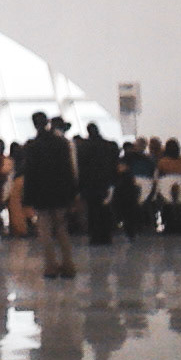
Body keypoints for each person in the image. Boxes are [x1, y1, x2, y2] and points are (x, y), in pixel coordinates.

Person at [23, 112, 77, 278]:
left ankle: (51, 267)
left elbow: (29, 174)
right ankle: (68, 266)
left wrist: (27, 199)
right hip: (60, 194)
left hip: (41, 194)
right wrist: (72, 194)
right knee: (62, 230)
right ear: (47, 122)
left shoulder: (32, 146)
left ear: (34, 124)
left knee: (45, 232)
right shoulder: (61, 143)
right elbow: (68, 170)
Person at [75, 122, 119, 245]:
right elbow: (115, 163)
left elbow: (80, 167)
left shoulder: (83, 147)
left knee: (92, 210)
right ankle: (106, 236)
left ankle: (95, 237)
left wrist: (79, 186)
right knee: (105, 209)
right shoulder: (110, 145)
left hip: (89, 183)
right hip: (106, 182)